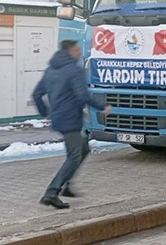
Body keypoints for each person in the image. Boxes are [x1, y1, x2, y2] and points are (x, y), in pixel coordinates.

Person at [32, 40, 111, 209]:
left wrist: (46, 112)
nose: (79, 52)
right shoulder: (74, 71)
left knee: (83, 149)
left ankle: (67, 187)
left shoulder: (50, 70)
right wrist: (102, 107)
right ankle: (51, 193)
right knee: (74, 156)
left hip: (59, 118)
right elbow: (83, 96)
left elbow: (37, 94)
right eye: (77, 50)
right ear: (69, 51)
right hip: (70, 120)